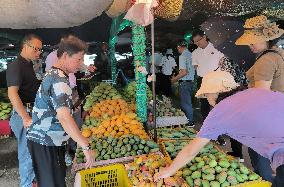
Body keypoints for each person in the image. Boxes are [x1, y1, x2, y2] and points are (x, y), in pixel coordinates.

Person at [154, 71, 284, 187]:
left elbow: (191, 150)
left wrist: (170, 170)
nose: (207, 98)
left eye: (207, 94)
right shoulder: (255, 91)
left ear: (214, 92)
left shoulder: (221, 110)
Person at [26, 36, 95, 187]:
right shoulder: (59, 79)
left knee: (54, 181)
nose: (80, 64)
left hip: (45, 141)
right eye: (78, 59)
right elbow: (64, 117)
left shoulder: (56, 74)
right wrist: (85, 145)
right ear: (65, 56)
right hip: (45, 141)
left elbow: (59, 109)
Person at [235, 15, 284, 182]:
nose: (249, 45)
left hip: (265, 117)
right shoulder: (279, 54)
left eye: (253, 40)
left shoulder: (266, 60)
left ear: (265, 38)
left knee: (259, 155)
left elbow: (260, 96)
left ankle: (263, 181)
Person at [6, 34, 42, 187]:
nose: (39, 52)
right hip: (23, 115)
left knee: (32, 152)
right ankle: (27, 184)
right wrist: (25, 117)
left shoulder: (28, 64)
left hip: (30, 112)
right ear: (26, 46)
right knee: (26, 154)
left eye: (40, 49)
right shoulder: (16, 65)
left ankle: (32, 182)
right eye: (36, 49)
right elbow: (12, 93)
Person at [191, 29, 224, 122]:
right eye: (195, 42)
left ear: (204, 37)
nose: (197, 43)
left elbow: (223, 62)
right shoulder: (195, 53)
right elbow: (196, 67)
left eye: (198, 40)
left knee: (216, 105)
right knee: (204, 105)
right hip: (202, 81)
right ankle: (207, 127)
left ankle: (218, 130)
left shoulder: (217, 48)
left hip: (216, 80)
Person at [171, 41, 195, 127]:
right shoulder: (191, 55)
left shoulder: (182, 56)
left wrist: (174, 79)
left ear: (178, 47)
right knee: (188, 103)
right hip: (191, 82)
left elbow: (184, 72)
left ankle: (190, 122)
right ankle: (188, 120)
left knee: (186, 103)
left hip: (185, 83)